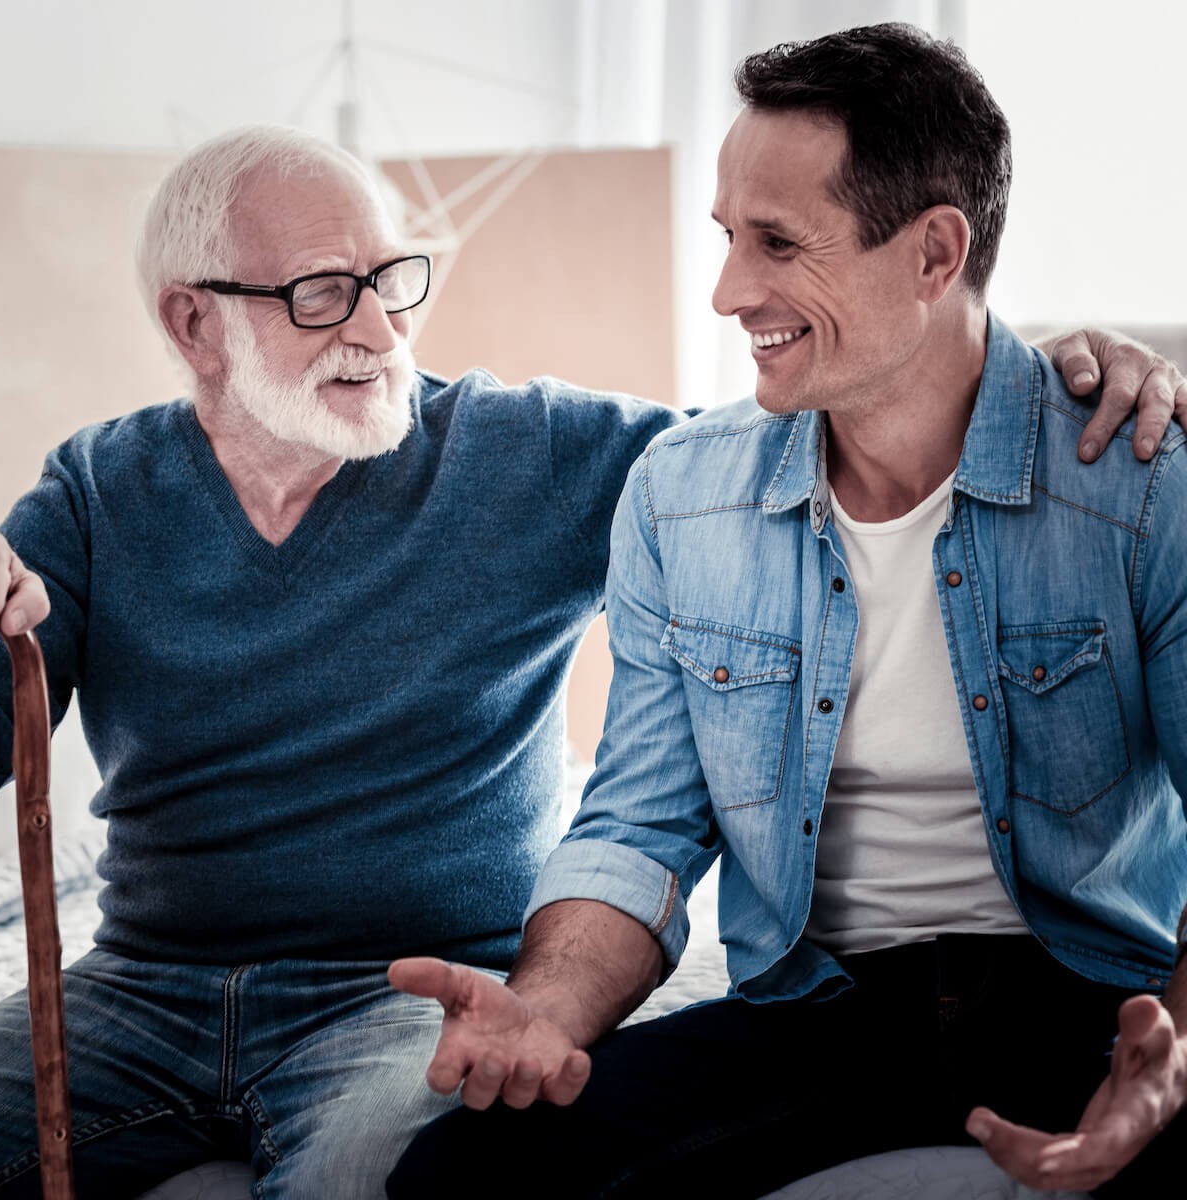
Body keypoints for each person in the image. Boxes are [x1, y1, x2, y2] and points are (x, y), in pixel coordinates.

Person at [0, 121, 1176, 1198]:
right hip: (140, 986)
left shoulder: (528, 452)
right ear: (193, 323)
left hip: (404, 991)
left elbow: (810, 436)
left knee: (395, 1177)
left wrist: (1017, 373)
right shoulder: (98, 489)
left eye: (392, 281)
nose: (376, 330)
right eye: (319, 293)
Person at [386, 24, 1187, 1200]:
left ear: (932, 253)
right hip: (822, 1006)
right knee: (461, 1177)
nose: (726, 292)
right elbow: (640, 825)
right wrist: (544, 1006)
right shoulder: (680, 495)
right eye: (726, 238)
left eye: (776, 244)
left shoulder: (1138, 486)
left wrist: (1171, 1061)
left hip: (1093, 1003)